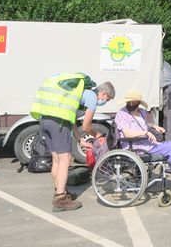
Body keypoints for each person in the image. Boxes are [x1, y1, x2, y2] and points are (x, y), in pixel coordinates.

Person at [30, 73, 115, 212]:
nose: (105, 101)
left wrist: (80, 139)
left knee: (57, 159)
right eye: (108, 99)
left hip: (46, 120)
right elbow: (86, 126)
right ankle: (60, 200)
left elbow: (72, 119)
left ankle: (61, 191)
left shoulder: (78, 93)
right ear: (104, 94)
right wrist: (98, 135)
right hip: (59, 123)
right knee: (65, 159)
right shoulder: (92, 98)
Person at [115, 89, 171, 197]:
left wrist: (153, 127)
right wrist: (146, 133)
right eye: (129, 102)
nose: (131, 104)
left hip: (148, 144)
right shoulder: (122, 114)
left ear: (138, 103)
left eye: (134, 102)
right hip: (136, 146)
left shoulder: (141, 112)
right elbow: (127, 133)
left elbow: (143, 126)